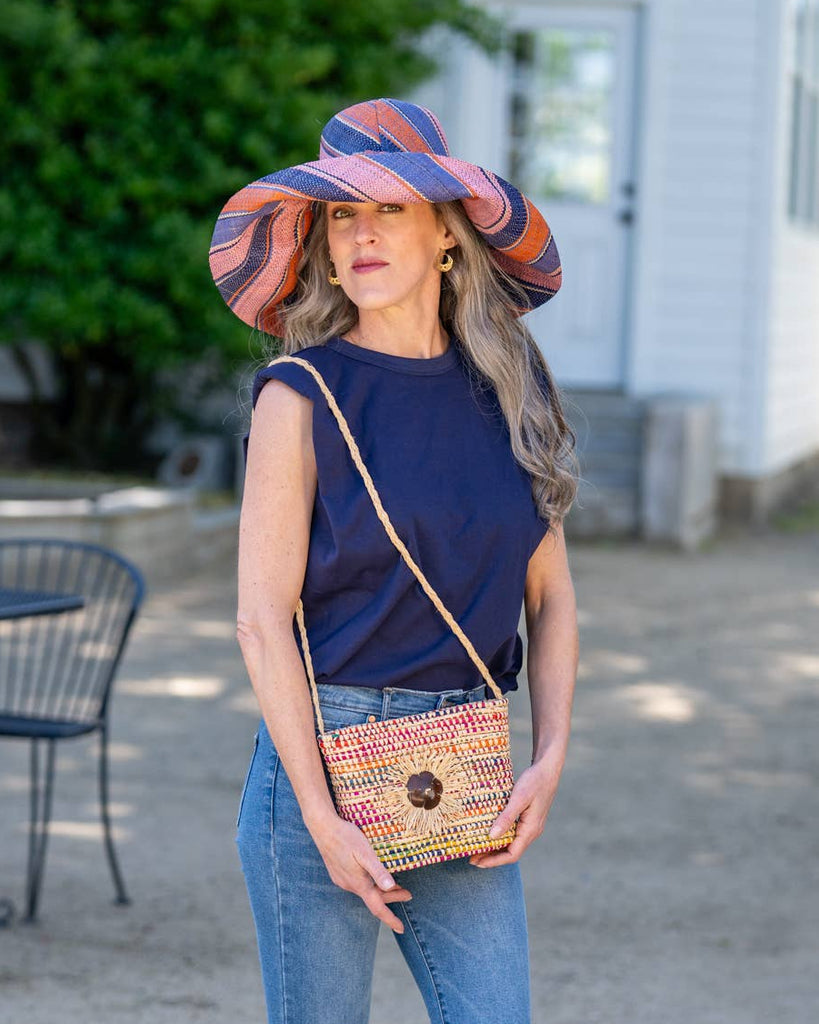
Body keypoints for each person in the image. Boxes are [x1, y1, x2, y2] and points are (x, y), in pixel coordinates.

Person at [209, 97, 580, 1024]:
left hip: (462, 761)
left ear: (447, 233)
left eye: (389, 209)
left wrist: (548, 756)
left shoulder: (511, 388)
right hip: (322, 763)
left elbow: (551, 597)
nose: (361, 235)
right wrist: (321, 819)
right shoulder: (299, 394)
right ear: (324, 245)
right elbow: (260, 619)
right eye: (342, 215)